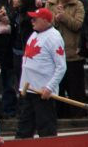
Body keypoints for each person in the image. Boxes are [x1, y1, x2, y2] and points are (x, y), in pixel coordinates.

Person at [16, 7, 66, 138]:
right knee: (24, 126)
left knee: (46, 127)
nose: (31, 21)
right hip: (29, 89)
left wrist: (50, 87)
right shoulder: (34, 34)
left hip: (43, 92)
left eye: (35, 19)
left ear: (45, 20)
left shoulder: (54, 38)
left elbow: (61, 67)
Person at [45, 0, 85, 117]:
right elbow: (45, 25)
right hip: (54, 53)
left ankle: (78, 116)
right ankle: (59, 115)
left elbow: (78, 25)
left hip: (72, 52)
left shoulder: (78, 4)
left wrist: (64, 17)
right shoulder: (50, 3)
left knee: (76, 88)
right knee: (58, 88)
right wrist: (55, 19)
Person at [11, 0, 36, 85]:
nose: (14, 0)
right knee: (19, 80)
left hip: (29, 53)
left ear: (23, 0)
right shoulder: (16, 14)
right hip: (17, 52)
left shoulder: (31, 16)